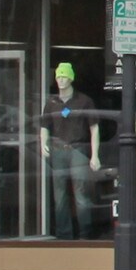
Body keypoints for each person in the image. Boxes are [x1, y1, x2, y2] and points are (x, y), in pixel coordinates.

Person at [38, 63, 100, 238]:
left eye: (64, 76)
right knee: (60, 196)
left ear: (71, 78)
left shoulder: (84, 101)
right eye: (58, 77)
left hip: (78, 149)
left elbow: (94, 128)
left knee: (81, 195)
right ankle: (63, 234)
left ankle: (85, 234)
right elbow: (44, 127)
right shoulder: (51, 103)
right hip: (58, 151)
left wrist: (94, 155)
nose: (61, 80)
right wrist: (43, 143)